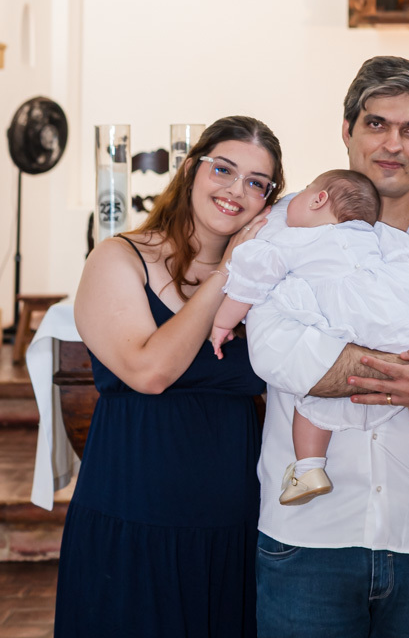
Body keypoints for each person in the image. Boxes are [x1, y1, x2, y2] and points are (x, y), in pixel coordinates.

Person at [245, 56, 409, 638]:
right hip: (308, 536)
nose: (393, 144)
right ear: (347, 130)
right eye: (376, 124)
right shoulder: (285, 227)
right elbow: (275, 353)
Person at [54, 116, 284, 638]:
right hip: (132, 512)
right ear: (189, 169)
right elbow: (149, 370)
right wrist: (229, 269)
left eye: (255, 182)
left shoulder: (267, 284)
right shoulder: (120, 258)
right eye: (223, 169)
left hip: (232, 521)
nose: (235, 190)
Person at [211, 168, 409, 502]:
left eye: (302, 193)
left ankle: (308, 470)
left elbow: (252, 283)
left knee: (311, 394)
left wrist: (222, 324)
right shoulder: (384, 237)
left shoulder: (292, 239)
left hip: (337, 324)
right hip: (391, 321)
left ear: (319, 199)